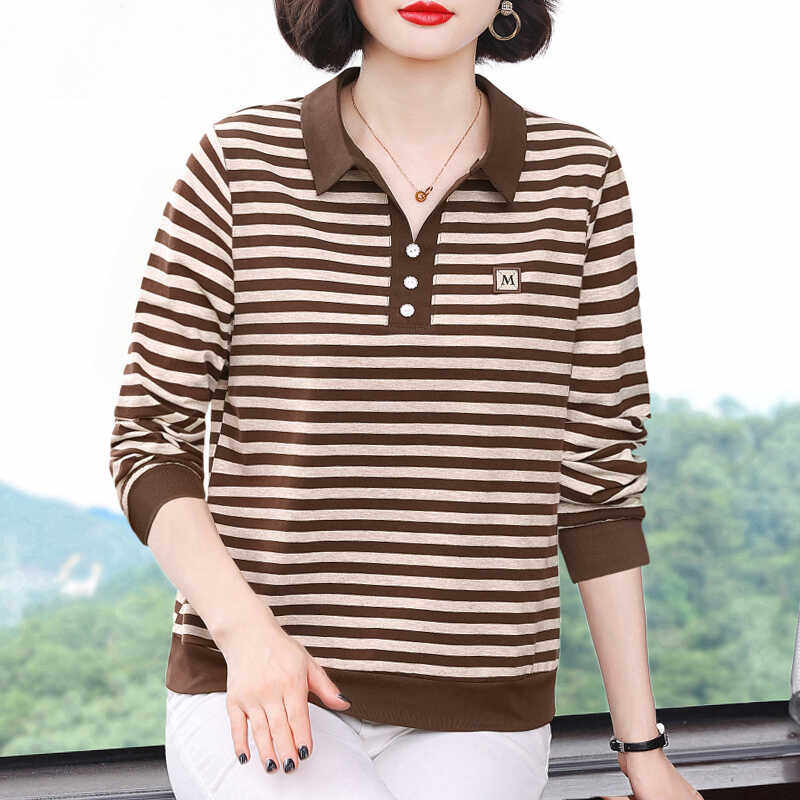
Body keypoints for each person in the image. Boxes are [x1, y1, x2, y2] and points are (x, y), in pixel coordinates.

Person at [108, 1, 704, 798]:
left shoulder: (579, 178)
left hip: (482, 705)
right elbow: (149, 441)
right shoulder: (238, 164)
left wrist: (643, 750)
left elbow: (599, 484)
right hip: (257, 681)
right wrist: (248, 636)